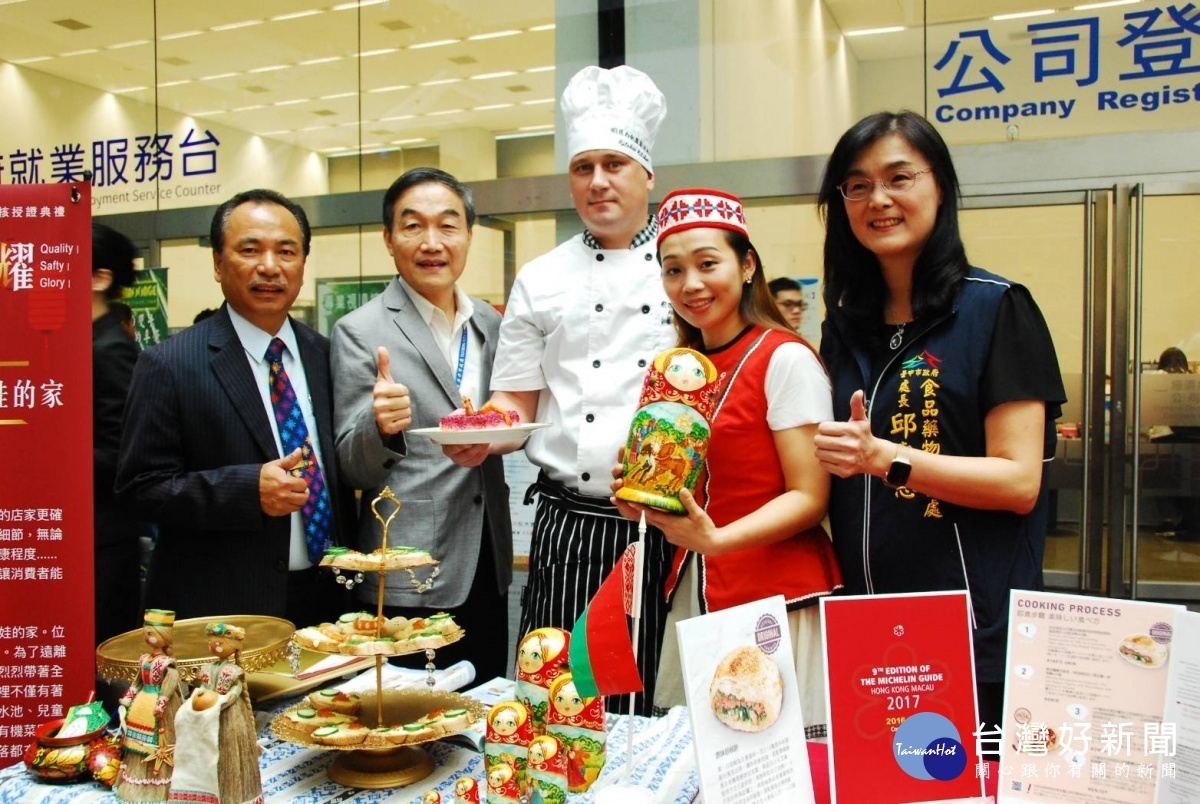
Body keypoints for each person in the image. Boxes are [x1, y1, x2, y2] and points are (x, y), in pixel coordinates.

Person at [812, 111, 1066, 738]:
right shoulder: (844, 328)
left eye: (900, 177)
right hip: (868, 627)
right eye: (857, 184)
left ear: (941, 187)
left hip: (972, 629)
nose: (879, 199)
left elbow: (1018, 482)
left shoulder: (997, 308)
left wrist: (886, 458)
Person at [445, 65, 676, 715]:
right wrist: (480, 437)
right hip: (568, 525)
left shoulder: (688, 268)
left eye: (614, 164)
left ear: (647, 175)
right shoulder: (542, 278)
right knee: (560, 705)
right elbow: (516, 405)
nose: (598, 181)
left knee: (661, 703)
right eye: (583, 167)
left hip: (671, 530)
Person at [611, 188, 842, 738]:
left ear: (747, 265)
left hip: (777, 599)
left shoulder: (783, 358)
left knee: (774, 769)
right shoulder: (677, 370)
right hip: (696, 582)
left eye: (707, 264)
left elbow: (810, 498)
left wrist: (715, 539)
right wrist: (641, 494)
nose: (690, 285)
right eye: (673, 270)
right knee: (709, 764)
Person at [116, 189, 354, 625]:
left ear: (302, 263)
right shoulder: (169, 364)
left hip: (330, 604)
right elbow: (140, 490)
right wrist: (245, 491)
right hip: (226, 609)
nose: (270, 266)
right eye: (250, 250)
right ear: (218, 264)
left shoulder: (325, 355)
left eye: (286, 251)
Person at [331, 168, 512, 681]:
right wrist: (381, 427)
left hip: (486, 562)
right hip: (408, 571)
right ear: (389, 239)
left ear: (470, 236)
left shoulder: (490, 325)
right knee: (414, 725)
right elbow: (350, 465)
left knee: (482, 708)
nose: (432, 243)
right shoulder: (361, 330)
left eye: (448, 226)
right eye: (413, 226)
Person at [92, 223, 149, 644]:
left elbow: (123, 454)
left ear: (100, 277)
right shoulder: (78, 343)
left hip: (104, 542)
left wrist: (45, 450)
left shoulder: (110, 349)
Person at [169, 622, 261, 804]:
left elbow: (237, 689)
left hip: (228, 713)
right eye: (212, 643)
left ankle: (232, 793)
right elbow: (204, 685)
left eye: (219, 643)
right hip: (208, 712)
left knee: (227, 748)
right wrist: (200, 694)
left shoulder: (234, 671)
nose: (214, 647)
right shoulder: (208, 668)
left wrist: (225, 700)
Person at [117, 609, 182, 802]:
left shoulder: (166, 663)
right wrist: (129, 697)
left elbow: (170, 684)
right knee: (134, 741)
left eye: (151, 633)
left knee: (158, 741)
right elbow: (137, 681)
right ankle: (135, 777)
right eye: (146, 632)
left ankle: (157, 783)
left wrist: (162, 701)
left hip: (157, 707)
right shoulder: (144, 659)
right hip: (141, 704)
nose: (148, 636)